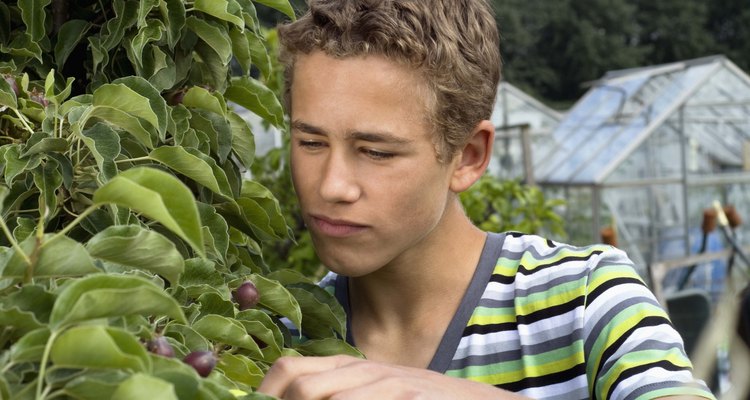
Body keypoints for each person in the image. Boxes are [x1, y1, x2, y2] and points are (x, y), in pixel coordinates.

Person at [257, 0, 716, 399]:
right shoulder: (276, 338)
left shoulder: (586, 301)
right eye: (310, 142)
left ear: (468, 157)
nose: (332, 186)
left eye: (376, 152)